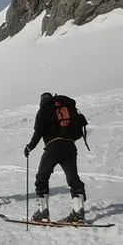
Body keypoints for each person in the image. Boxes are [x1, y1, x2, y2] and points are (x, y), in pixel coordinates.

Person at [23, 92, 88, 222]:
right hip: (70, 147)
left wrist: (29, 147)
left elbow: (38, 132)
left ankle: (43, 211)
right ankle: (78, 211)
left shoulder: (44, 110)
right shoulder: (66, 108)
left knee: (42, 177)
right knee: (73, 179)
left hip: (53, 147)